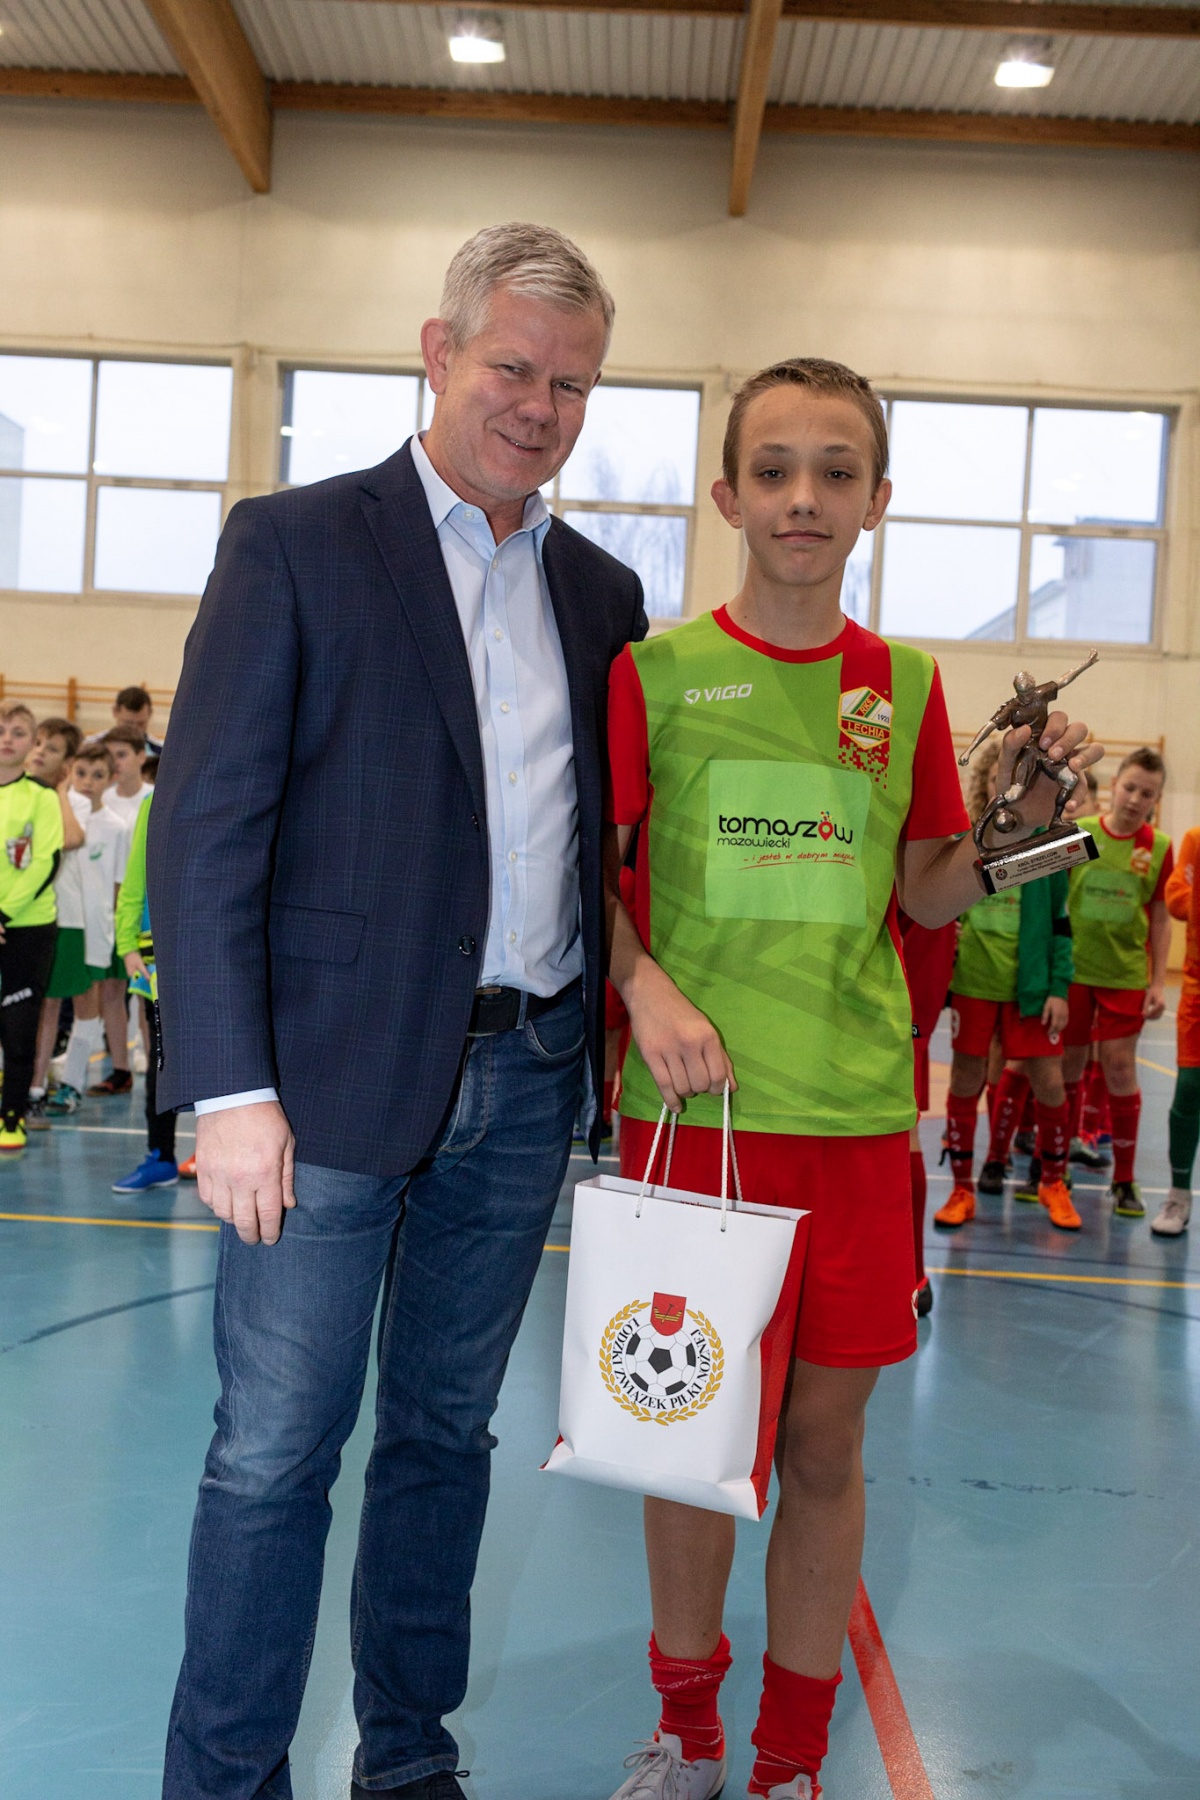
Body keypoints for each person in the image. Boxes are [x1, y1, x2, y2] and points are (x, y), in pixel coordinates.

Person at [148, 221, 645, 1800]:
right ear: (438, 353)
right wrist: (227, 1088)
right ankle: (226, 1779)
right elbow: (207, 827)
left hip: (528, 1078)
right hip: (323, 1089)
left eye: (572, 384)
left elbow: (599, 844)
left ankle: (408, 1757)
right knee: (272, 1453)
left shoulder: (603, 593)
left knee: (445, 1439)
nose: (539, 407)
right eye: (513, 368)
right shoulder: (296, 543)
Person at [603, 357, 1100, 1800]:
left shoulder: (908, 687)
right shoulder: (654, 676)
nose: (803, 498)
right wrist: (644, 985)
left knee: (824, 1447)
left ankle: (787, 1758)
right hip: (697, 1125)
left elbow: (929, 891)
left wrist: (1024, 826)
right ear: (728, 496)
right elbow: (592, 876)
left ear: (878, 500)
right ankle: (688, 1737)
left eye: (836, 472)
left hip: (858, 1121)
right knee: (690, 1443)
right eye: (774, 470)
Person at [935, 747, 1076, 1231]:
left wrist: (1058, 987)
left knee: (1049, 1082)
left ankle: (1053, 1181)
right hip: (974, 984)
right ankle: (961, 1188)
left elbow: (1061, 922)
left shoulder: (1047, 845)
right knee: (965, 1080)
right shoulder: (966, 839)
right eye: (1008, 775)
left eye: (1026, 777)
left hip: (1030, 988)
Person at [1063, 748, 1172, 1220]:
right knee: (1067, 1068)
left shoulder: (1159, 847)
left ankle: (1124, 1179)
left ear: (1156, 800)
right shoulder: (1081, 834)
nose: (1135, 799)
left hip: (1125, 975)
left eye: (1147, 793)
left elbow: (1161, 918)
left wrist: (1158, 981)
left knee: (1120, 1068)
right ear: (1114, 786)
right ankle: (1057, 1165)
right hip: (1073, 972)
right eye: (1129, 787)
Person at [44, 745, 132, 1116]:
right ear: (69, 772)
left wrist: (115, 930)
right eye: (81, 773)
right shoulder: (57, 814)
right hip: (62, 924)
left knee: (88, 1005)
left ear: (111, 779)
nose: (88, 782)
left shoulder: (117, 827)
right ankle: (37, 1081)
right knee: (48, 1005)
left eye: (98, 775)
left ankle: (71, 1084)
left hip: (98, 930)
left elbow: (118, 885)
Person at [0, 702, 65, 1152]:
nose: (7, 738)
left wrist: (3, 913)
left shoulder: (42, 797)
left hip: (28, 928)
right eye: (1, 729)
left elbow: (46, 861)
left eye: (19, 732)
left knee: (18, 1028)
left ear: (32, 744)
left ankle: (12, 1118)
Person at [110, 789, 180, 1191]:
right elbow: (135, 876)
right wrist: (127, 944)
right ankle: (161, 1155)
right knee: (161, 1058)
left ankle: (216, 1152)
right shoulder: (156, 801)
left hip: (221, 952)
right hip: (159, 959)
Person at [24, 717, 86, 1129]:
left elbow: (71, 839)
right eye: (39, 742)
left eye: (53, 748)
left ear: (67, 764)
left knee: (48, 1007)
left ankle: (33, 1091)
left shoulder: (73, 800)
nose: (40, 751)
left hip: (60, 917)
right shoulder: (12, 791)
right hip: (15, 915)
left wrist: (61, 790)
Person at [1154, 823, 1200, 1236]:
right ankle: (1179, 1193)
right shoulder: (1196, 840)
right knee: (1188, 1089)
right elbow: (1174, 898)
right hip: (1197, 992)